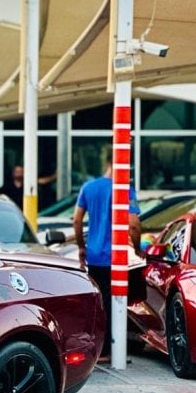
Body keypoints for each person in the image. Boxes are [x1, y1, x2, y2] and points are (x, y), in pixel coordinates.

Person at [73, 147, 141, 361]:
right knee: (117, 303)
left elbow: (76, 220)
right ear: (119, 165)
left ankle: (102, 349)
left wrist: (81, 247)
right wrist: (137, 248)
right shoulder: (125, 189)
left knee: (100, 303)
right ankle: (110, 351)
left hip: (94, 256)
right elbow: (134, 224)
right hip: (118, 259)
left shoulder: (89, 187)